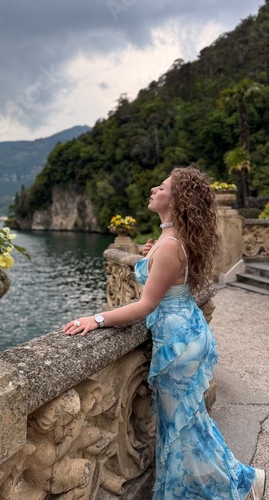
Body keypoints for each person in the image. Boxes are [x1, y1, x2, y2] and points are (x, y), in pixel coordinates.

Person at [63, 165, 266, 499]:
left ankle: (234, 488)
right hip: (184, 333)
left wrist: (96, 319)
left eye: (162, 187)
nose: (154, 190)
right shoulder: (169, 238)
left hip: (178, 342)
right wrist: (151, 254)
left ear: (178, 199)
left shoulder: (171, 245)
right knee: (190, 423)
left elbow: (145, 305)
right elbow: (168, 271)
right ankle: (244, 481)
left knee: (183, 429)